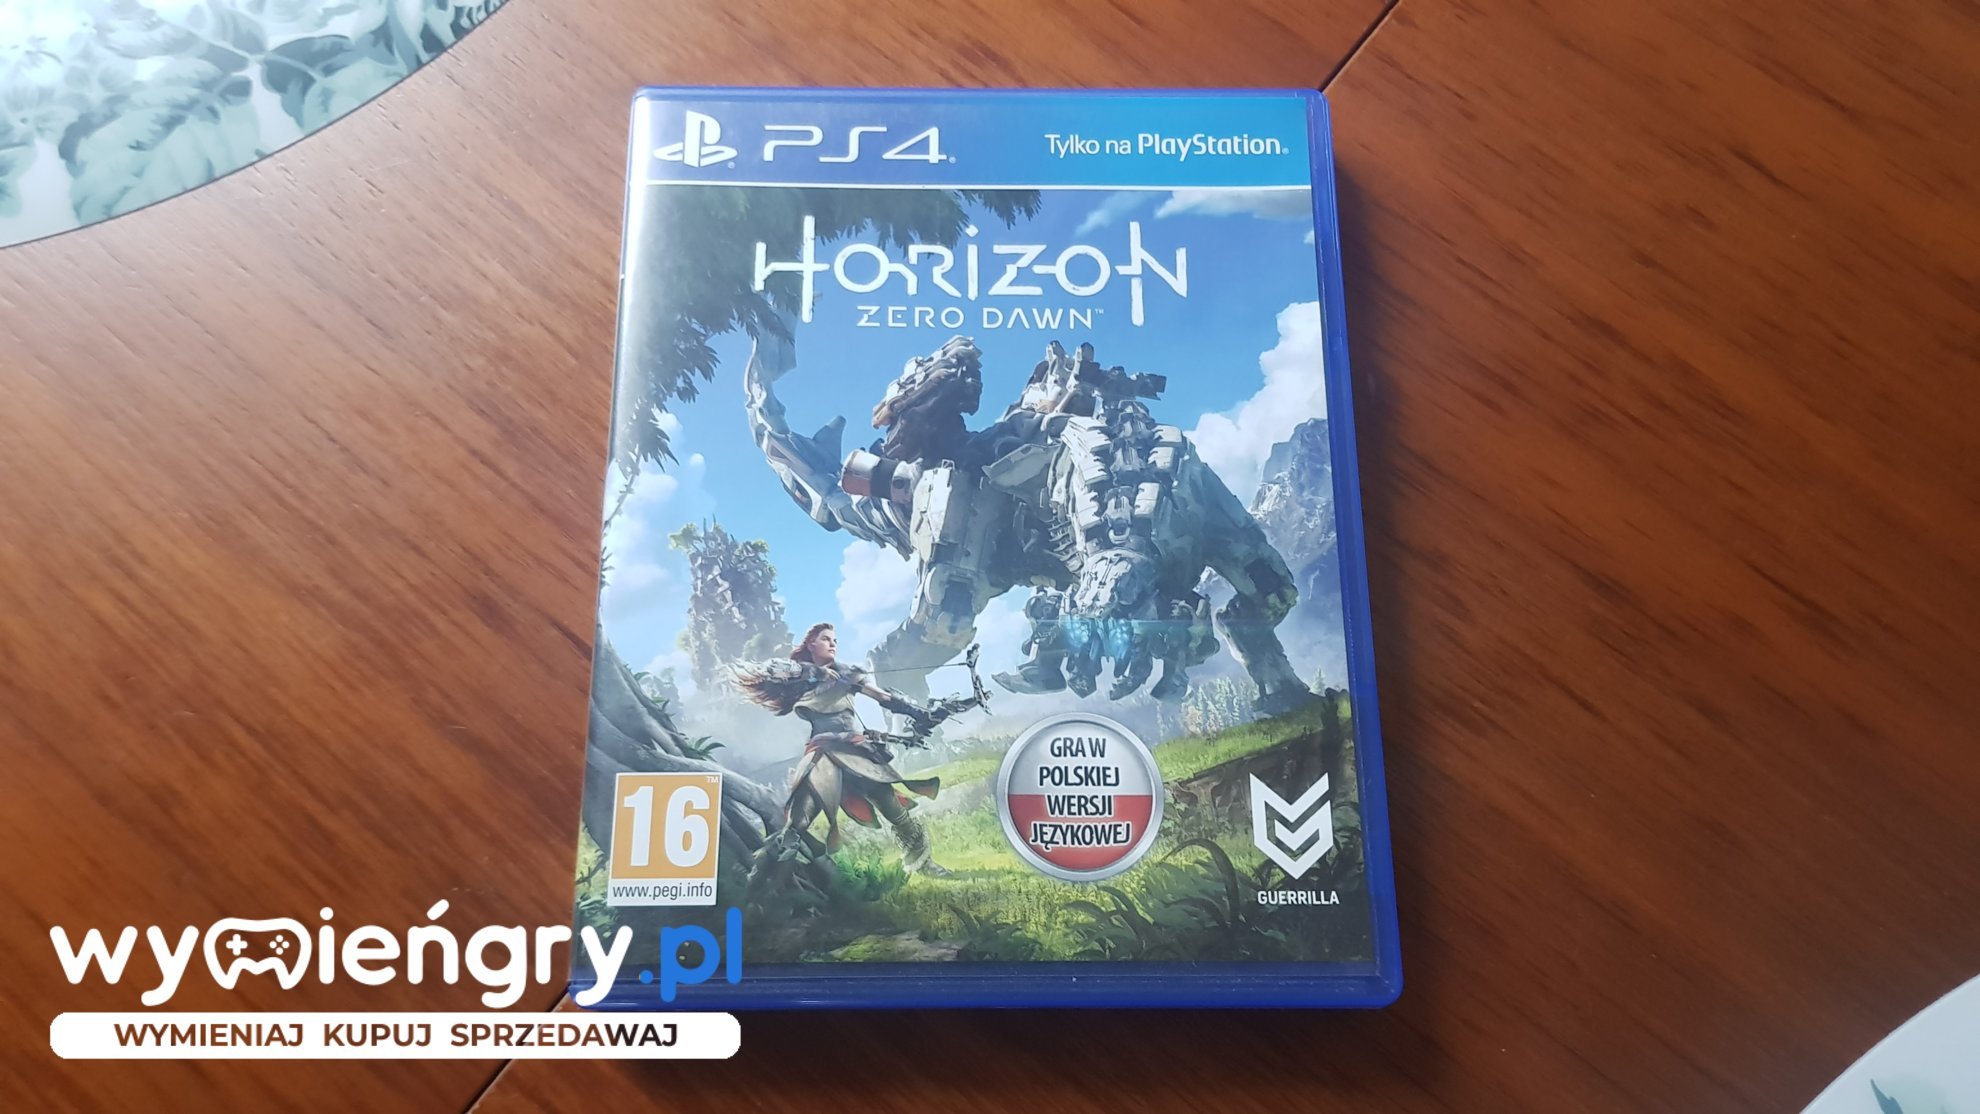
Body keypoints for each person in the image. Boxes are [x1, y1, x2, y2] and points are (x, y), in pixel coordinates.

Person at [734, 623, 952, 879]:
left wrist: (918, 713)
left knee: (895, 811)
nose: (833, 644)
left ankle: (922, 863)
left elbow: (882, 697)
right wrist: (816, 672)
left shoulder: (847, 673)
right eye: (826, 639)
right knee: (797, 823)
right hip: (822, 754)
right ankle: (763, 877)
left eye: (835, 640)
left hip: (855, 751)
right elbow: (773, 669)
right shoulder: (798, 675)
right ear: (811, 644)